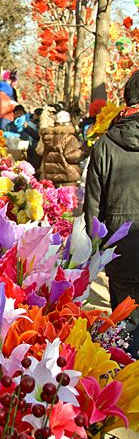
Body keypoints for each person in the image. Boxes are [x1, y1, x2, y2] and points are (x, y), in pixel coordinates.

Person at [84, 70, 139, 357]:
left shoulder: (104, 145)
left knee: (125, 326)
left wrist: (99, 249)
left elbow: (93, 207)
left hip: (121, 247)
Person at [36, 110, 87, 186]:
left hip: (49, 177)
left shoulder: (47, 136)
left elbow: (39, 151)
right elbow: (72, 156)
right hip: (67, 178)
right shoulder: (69, 137)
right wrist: (85, 151)